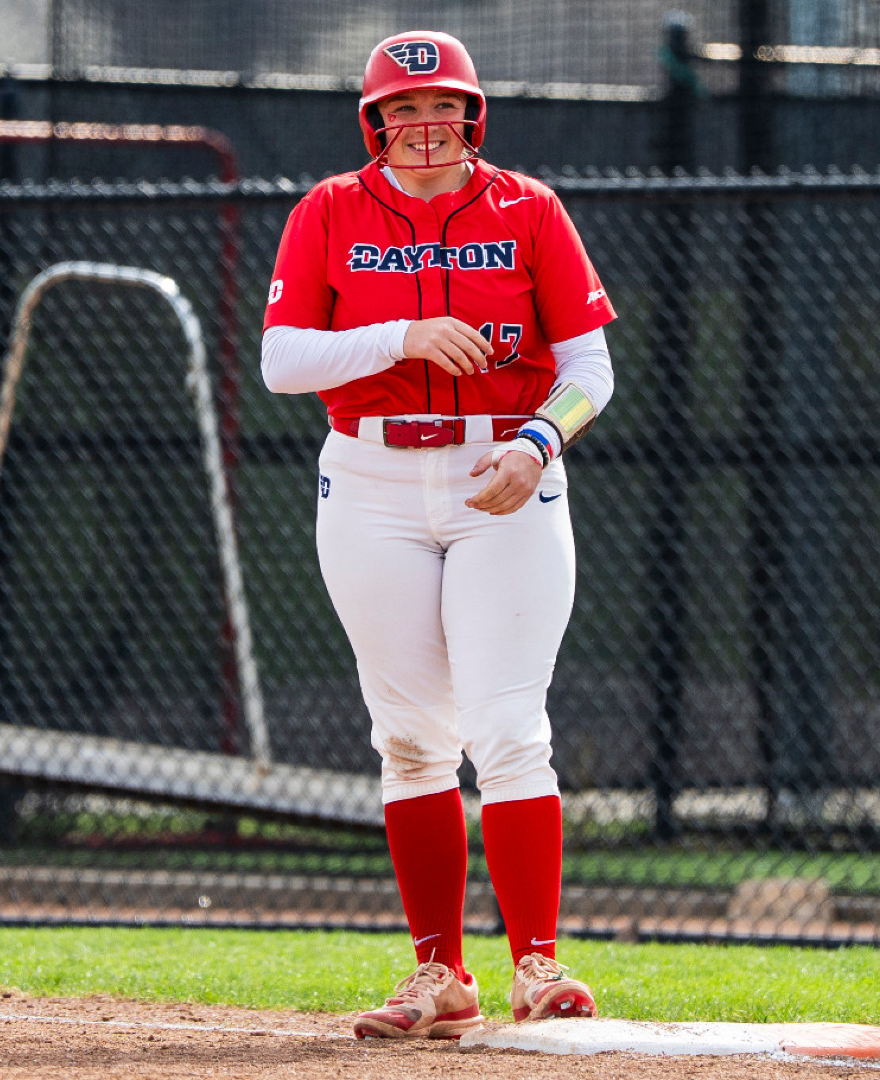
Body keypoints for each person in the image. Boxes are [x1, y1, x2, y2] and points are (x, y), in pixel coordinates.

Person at [261, 30, 617, 1040]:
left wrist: (538, 445)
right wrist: (399, 338)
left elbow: (590, 370)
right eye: (402, 112)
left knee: (508, 727)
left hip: (497, 474)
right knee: (410, 736)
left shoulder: (527, 209)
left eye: (441, 108)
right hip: (368, 478)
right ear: (374, 123)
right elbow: (283, 362)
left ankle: (537, 964)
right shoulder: (328, 209)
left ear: (471, 117)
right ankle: (437, 975)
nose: (423, 127)